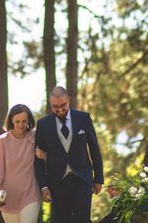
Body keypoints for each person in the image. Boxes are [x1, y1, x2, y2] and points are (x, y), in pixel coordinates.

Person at [35, 86, 104, 223]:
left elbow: (94, 149)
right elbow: (38, 160)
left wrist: (98, 179)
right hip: (57, 181)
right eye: (55, 106)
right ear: (50, 104)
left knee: (82, 219)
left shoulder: (83, 118)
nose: (60, 110)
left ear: (69, 100)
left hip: (82, 178)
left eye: (63, 105)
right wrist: (43, 186)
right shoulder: (43, 124)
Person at [0, 104, 41, 223]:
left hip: (31, 193)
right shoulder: (3, 140)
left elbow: (50, 156)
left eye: (24, 121)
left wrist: (44, 156)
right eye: (17, 121)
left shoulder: (34, 137)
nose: (21, 125)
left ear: (28, 121)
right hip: (8, 196)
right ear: (11, 120)